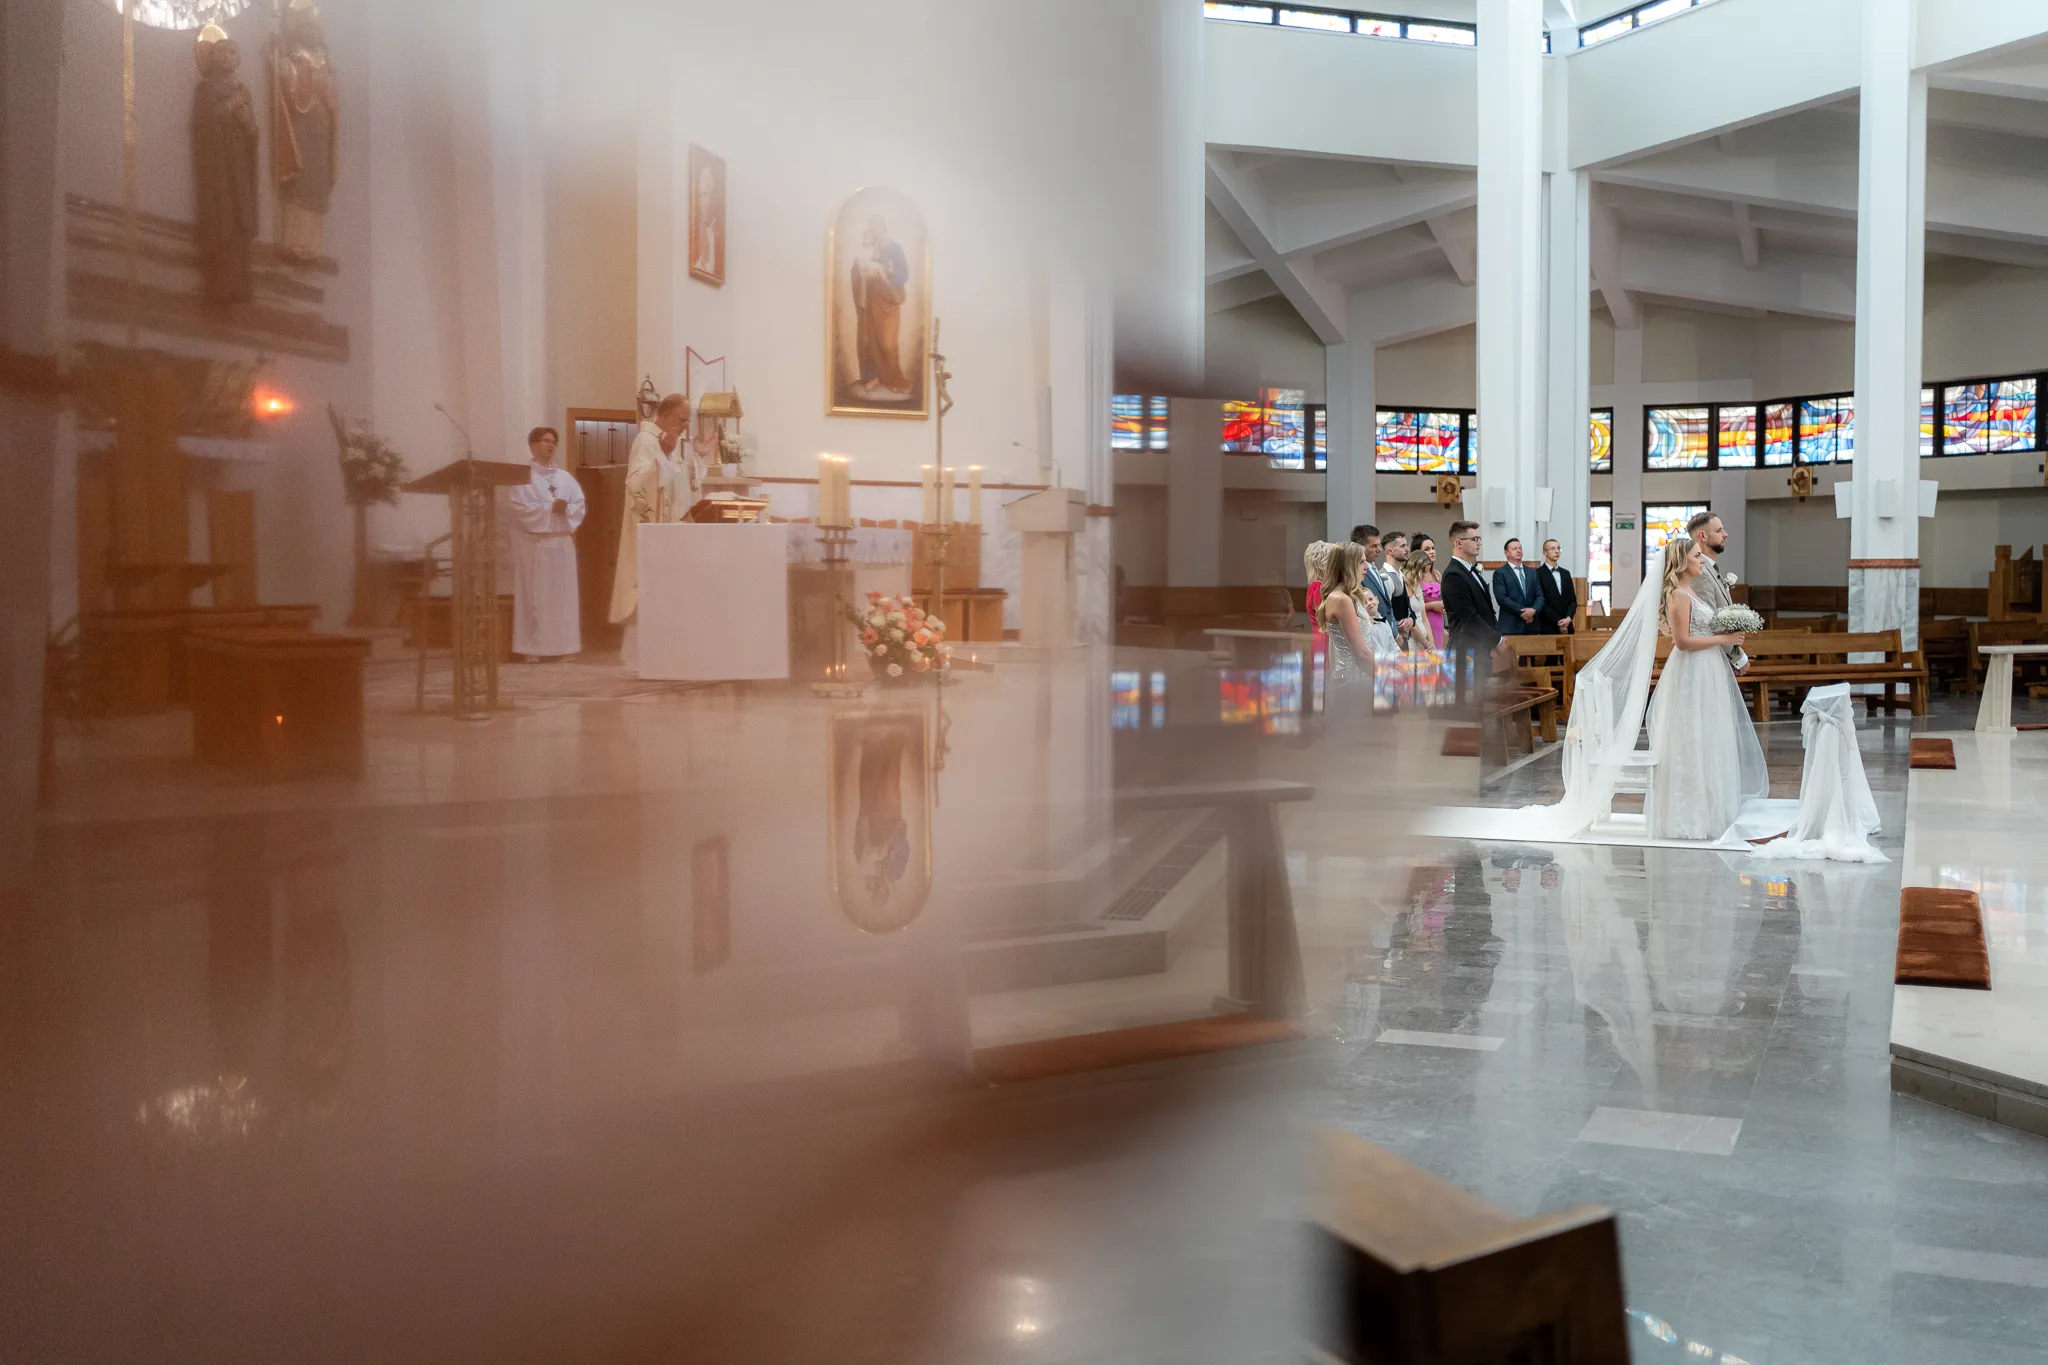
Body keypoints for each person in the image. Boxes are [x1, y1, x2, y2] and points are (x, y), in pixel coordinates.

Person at [1646, 537, 1767, 841]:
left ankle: (1714, 810)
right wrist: (1725, 640)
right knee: (1691, 738)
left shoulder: (1692, 592)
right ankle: (1688, 818)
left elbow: (1702, 630)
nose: (1702, 560)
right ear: (1681, 561)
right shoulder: (1678, 595)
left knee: (1710, 735)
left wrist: (1728, 637)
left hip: (1708, 669)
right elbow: (1682, 642)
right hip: (1691, 673)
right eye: (1697, 556)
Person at [608, 393, 696, 661]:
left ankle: (666, 655)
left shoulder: (670, 442)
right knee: (648, 593)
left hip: (671, 533)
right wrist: (665, 455)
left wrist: (695, 465)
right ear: (667, 414)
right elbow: (637, 485)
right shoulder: (646, 441)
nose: (685, 426)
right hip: (652, 533)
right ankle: (644, 659)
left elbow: (678, 485)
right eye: (683, 419)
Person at [191, 28, 259, 304]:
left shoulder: (243, 92)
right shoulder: (206, 89)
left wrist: (248, 123)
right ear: (212, 57)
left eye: (233, 52)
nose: (229, 57)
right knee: (223, 223)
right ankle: (221, 285)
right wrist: (232, 104)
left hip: (239, 167)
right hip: (218, 169)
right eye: (223, 51)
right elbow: (205, 124)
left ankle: (240, 285)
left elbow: (252, 134)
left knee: (241, 220)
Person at [507, 427, 586, 660]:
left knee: (563, 598)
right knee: (536, 598)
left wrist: (567, 509)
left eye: (553, 442)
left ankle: (564, 648)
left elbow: (579, 505)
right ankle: (533, 649)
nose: (550, 445)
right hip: (535, 545)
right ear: (532, 445)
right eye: (545, 441)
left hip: (561, 545)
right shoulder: (522, 477)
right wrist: (549, 507)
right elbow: (519, 509)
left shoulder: (565, 478)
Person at [851, 215, 911, 401]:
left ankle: (896, 380)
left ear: (884, 228)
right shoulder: (870, 248)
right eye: (872, 227)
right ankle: (880, 378)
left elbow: (904, 275)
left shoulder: (894, 248)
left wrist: (887, 272)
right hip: (873, 298)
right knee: (873, 340)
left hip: (889, 299)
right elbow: (860, 270)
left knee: (888, 343)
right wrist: (861, 270)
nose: (875, 231)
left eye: (877, 227)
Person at [1440, 521, 1500, 702]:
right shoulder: (1453, 575)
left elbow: (1487, 610)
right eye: (1474, 539)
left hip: (1480, 646)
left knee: (1481, 703)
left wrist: (1494, 636)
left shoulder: (1470, 570)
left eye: (1479, 538)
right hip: (1466, 648)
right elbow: (1469, 617)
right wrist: (1496, 639)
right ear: (1458, 543)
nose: (1478, 543)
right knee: (1468, 705)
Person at [1316, 540, 1378, 717]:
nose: (1367, 567)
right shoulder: (1340, 599)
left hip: (1360, 676)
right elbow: (1361, 653)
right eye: (1361, 562)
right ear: (1347, 565)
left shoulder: (1351, 596)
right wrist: (1386, 675)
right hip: (1351, 679)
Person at [1686, 511, 1747, 672]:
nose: (1725, 534)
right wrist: (1739, 659)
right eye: (1719, 530)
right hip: (1708, 660)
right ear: (1702, 536)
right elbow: (1709, 624)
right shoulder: (1701, 574)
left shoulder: (1709, 569)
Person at [1379, 531, 1421, 649]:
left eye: (1406, 545)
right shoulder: (1385, 577)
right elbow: (1384, 612)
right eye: (1402, 546)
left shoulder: (1400, 574)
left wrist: (1411, 620)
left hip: (1403, 639)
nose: (1407, 549)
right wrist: (1396, 633)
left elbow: (1408, 608)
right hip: (1393, 642)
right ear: (1390, 551)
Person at [1493, 537, 1541, 637]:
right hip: (1511, 626)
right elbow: (1502, 598)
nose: (1518, 550)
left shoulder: (1532, 572)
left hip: (1531, 625)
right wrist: (1525, 612)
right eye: (1514, 549)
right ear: (1506, 553)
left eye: (1520, 548)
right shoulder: (1500, 573)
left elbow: (1540, 595)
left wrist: (1533, 610)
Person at [1537, 537, 1579, 635]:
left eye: (1558, 548)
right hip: (1548, 626)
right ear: (1545, 552)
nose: (1557, 551)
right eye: (1552, 549)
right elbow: (1541, 601)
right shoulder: (1538, 574)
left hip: (1568, 625)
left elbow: (1572, 600)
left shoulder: (1566, 573)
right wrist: (1559, 622)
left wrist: (1568, 618)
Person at [1412, 534, 1447, 649]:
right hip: (1423, 625)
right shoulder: (1414, 577)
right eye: (1427, 549)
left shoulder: (1437, 574)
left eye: (1433, 548)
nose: (1432, 552)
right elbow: (1412, 606)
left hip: (1439, 623)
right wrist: (1432, 605)